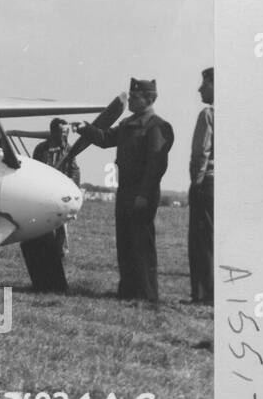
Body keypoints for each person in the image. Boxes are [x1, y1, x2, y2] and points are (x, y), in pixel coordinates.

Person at [77, 79, 174, 302]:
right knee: (125, 242)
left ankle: (146, 293)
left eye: (135, 97)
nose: (130, 100)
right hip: (125, 191)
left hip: (142, 192)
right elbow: (105, 139)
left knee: (141, 243)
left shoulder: (157, 126)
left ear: (149, 99)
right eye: (130, 96)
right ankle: (128, 290)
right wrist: (86, 129)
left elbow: (156, 165)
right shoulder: (128, 124)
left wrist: (144, 194)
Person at [20, 118, 82, 292]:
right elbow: (34, 169)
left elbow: (74, 170)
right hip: (43, 193)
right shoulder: (41, 149)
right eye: (61, 132)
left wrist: (73, 191)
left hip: (61, 194)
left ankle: (60, 251)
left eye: (66, 133)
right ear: (53, 132)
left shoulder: (68, 150)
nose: (64, 136)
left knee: (61, 226)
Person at [188, 67, 214, 304]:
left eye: (204, 83)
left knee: (202, 240)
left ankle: (204, 294)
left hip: (207, 184)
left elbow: (201, 153)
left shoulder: (208, 114)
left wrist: (196, 183)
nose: (200, 88)